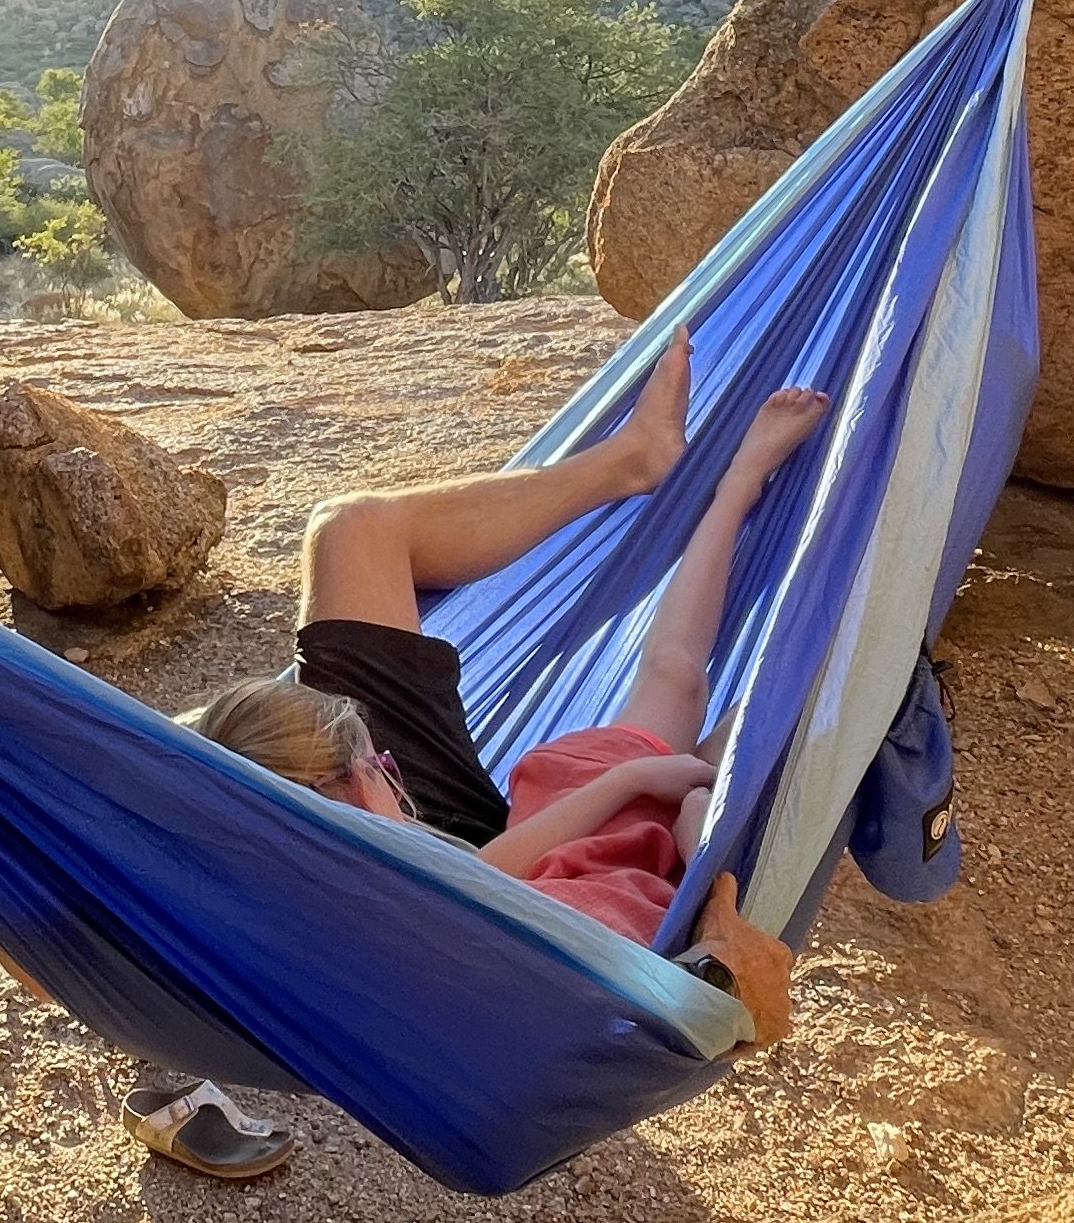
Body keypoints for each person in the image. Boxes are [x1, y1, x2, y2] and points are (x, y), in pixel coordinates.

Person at [205, 340, 821, 1026]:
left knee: (355, 530)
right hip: (493, 875)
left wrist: (636, 784)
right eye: (377, 764)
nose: (391, 764)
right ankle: (805, 574)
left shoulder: (302, 805)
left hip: (502, 849)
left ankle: (640, 460)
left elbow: (485, 870)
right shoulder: (392, 918)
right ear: (337, 791)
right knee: (764, 716)